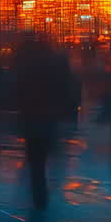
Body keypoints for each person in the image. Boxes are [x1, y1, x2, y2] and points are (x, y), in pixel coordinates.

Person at [13, 37, 73, 209]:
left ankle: (38, 193)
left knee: (35, 160)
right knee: (41, 157)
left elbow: (16, 92)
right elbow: (65, 88)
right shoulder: (54, 66)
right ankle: (41, 193)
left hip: (31, 117)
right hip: (48, 117)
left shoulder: (25, 68)